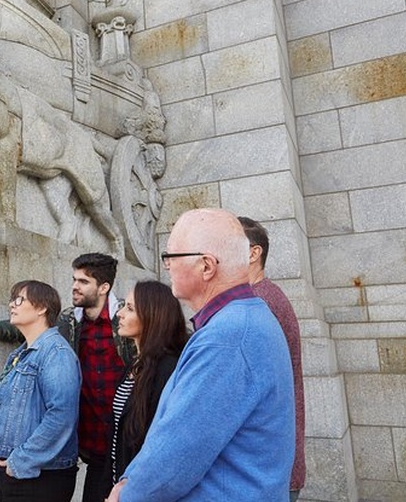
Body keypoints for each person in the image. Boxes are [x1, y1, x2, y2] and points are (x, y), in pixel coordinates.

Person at [107, 208, 295, 502]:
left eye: (171, 256)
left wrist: (128, 494)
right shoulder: (242, 321)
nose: (166, 266)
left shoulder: (227, 337)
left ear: (206, 266)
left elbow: (177, 451)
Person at [0, 253, 135, 502]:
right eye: (74, 279)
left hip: (125, 434)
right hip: (90, 437)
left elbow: (162, 332)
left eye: (83, 282)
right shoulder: (69, 320)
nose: (74, 287)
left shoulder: (126, 317)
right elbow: (35, 325)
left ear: (104, 287)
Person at [0, 280, 82, 501]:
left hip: (39, 477)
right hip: (17, 474)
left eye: (19, 299)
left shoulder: (56, 353)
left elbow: (61, 416)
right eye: (12, 299)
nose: (12, 305)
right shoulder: (23, 353)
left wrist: (21, 460)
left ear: (41, 308)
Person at [239, 216, 306, 501]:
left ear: (255, 253)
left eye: (230, 244)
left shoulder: (260, 301)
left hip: (268, 473)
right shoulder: (261, 297)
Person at [107, 280, 189, 489]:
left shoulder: (167, 369)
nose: (120, 313)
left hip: (145, 487)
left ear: (153, 315)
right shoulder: (135, 365)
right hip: (122, 482)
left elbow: (164, 443)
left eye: (130, 308)